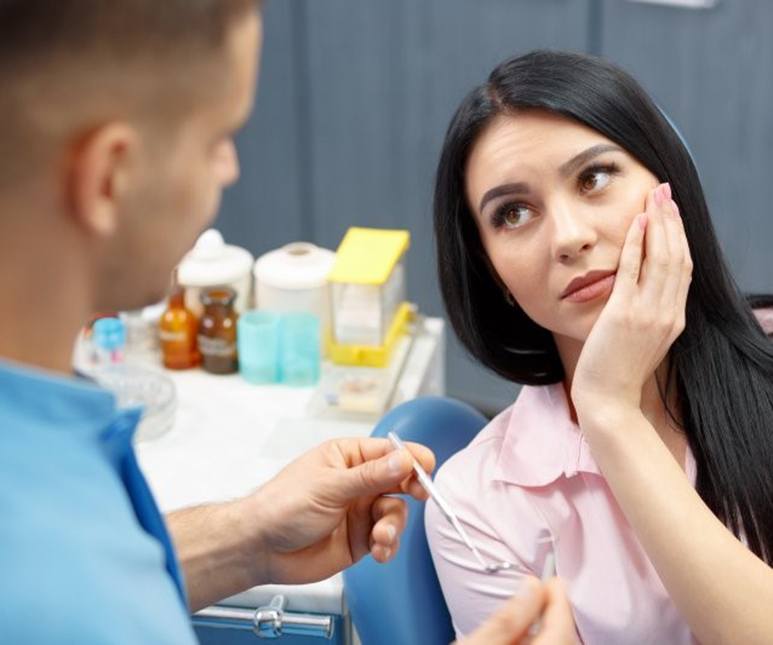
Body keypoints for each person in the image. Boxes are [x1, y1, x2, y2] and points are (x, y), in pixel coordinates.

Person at [0, 2, 571, 642]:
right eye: (217, 139)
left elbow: (92, 577)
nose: (230, 170)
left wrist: (247, 538)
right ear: (111, 177)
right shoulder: (45, 580)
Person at [427, 49, 773, 644]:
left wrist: (610, 407)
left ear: (670, 183)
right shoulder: (478, 509)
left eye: (594, 177)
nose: (569, 237)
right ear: (493, 276)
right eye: (513, 213)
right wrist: (607, 408)